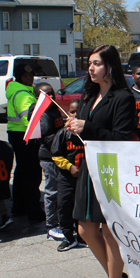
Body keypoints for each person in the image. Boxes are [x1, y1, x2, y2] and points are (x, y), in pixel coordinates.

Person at [65, 45, 135, 278]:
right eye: (90, 64)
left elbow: (122, 137)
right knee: (84, 230)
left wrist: (88, 127)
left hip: (110, 168)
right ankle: (117, 277)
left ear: (109, 66)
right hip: (88, 166)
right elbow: (84, 132)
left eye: (96, 63)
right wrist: (74, 128)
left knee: (108, 231)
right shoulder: (88, 94)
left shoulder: (122, 97)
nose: (91, 68)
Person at [6, 63, 45, 223]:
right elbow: (31, 121)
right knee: (32, 175)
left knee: (22, 173)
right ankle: (34, 212)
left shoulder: (17, 90)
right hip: (26, 137)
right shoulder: (24, 95)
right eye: (26, 76)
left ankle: (19, 207)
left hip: (17, 135)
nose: (30, 78)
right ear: (19, 77)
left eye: (31, 76)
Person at [51, 99, 86, 251]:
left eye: (79, 111)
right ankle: (68, 236)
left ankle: (82, 236)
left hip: (85, 178)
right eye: (72, 111)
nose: (75, 114)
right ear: (67, 114)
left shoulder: (87, 133)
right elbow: (55, 155)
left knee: (82, 208)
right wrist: (70, 166)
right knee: (64, 206)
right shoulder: (62, 134)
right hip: (66, 178)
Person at [35, 83, 65, 241]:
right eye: (45, 94)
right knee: (52, 192)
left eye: (51, 92)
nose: (50, 96)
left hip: (58, 155)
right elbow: (47, 137)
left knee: (60, 191)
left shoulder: (54, 109)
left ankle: (59, 222)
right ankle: (51, 226)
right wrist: (64, 138)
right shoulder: (44, 114)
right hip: (50, 157)